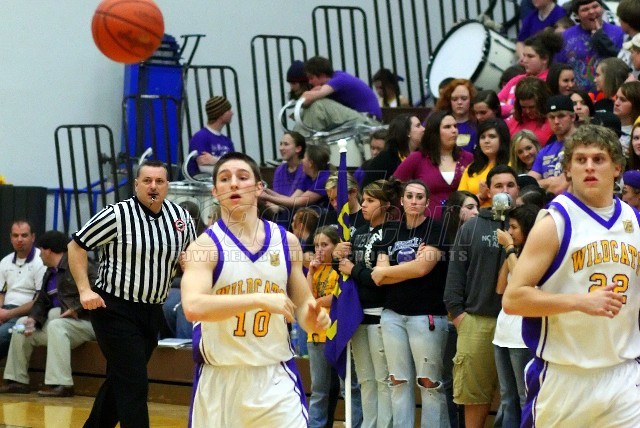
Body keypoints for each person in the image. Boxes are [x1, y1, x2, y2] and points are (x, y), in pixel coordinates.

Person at [180, 152, 331, 427]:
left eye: (242, 177)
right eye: (224, 179)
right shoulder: (204, 247)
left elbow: (303, 307)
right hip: (220, 379)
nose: (233, 184)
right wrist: (258, 299)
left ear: (259, 188)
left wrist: (315, 319)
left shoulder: (287, 242)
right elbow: (193, 307)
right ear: (215, 192)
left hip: (276, 376)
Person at [503, 124, 640, 427]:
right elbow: (513, 299)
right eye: (580, 160)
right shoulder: (555, 222)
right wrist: (580, 302)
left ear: (617, 167)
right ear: (568, 169)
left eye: (598, 159)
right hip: (564, 377)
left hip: (624, 376)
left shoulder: (635, 221)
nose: (589, 166)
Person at [67, 160, 197, 428]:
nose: (153, 186)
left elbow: (191, 258)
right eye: (147, 181)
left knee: (120, 381)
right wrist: (84, 290)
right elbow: (76, 246)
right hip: (113, 308)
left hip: (152, 311)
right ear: (136, 184)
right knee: (134, 382)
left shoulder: (181, 219)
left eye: (159, 181)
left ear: (168, 186)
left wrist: (190, 264)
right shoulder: (116, 214)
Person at [443, 164, 520, 428]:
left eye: (510, 185)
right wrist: (459, 316)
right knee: (473, 395)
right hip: (476, 321)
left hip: (519, 321)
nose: (505, 191)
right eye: (499, 186)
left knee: (518, 394)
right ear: (487, 191)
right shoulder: (472, 227)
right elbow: (455, 274)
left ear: (518, 190)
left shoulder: (531, 224)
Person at [371, 180, 450, 428]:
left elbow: (422, 268)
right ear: (402, 200)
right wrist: (411, 266)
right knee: (398, 381)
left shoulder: (435, 228)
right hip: (392, 315)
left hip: (426, 315)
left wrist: (392, 271)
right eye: (409, 196)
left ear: (427, 202)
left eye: (419, 197)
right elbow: (378, 275)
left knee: (429, 383)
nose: (414, 201)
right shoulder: (390, 231)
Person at [333, 179, 402, 428]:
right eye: (363, 200)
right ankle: (368, 424)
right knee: (365, 379)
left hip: (381, 312)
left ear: (385, 205)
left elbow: (380, 278)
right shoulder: (357, 232)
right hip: (356, 313)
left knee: (383, 379)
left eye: (370, 201)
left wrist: (352, 269)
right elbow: (344, 272)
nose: (363, 205)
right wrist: (337, 257)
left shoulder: (393, 233)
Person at [0, 231, 96, 397]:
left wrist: (77, 308)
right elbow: (41, 302)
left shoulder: (81, 264)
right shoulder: (50, 272)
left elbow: (99, 291)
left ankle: (61, 384)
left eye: (41, 251)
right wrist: (33, 319)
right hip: (63, 324)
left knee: (56, 324)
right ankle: (17, 380)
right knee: (21, 325)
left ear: (48, 251)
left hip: (87, 322)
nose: (39, 255)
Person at [307, 226, 362, 428]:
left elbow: (340, 296)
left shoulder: (341, 267)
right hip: (316, 335)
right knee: (319, 390)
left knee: (348, 387)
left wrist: (319, 302)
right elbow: (307, 298)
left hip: (338, 333)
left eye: (324, 245)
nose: (319, 250)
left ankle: (354, 424)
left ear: (336, 245)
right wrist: (310, 272)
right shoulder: (316, 269)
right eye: (316, 245)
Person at [493, 205, 539, 428]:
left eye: (514, 227)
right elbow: (501, 288)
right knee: (507, 398)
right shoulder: (514, 255)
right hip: (502, 333)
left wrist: (510, 248)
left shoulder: (538, 256)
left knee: (524, 397)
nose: (509, 232)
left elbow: (524, 282)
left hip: (521, 337)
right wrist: (509, 252)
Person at [393, 111, 474, 219]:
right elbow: (394, 186)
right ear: (434, 132)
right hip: (425, 225)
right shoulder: (417, 158)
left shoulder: (468, 158)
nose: (454, 130)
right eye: (447, 127)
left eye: (455, 126)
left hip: (461, 224)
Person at [555, 0, 625, 93]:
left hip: (610, 94)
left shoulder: (619, 33)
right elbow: (558, 69)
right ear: (576, 15)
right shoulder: (565, 36)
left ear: (602, 8)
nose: (591, 11)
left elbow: (623, 65)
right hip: (576, 95)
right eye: (585, 9)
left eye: (595, 6)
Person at [0, 220, 46, 360]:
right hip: (4, 312)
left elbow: (39, 300)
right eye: (15, 235)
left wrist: (8, 314)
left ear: (33, 237)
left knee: (1, 336)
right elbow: (1, 293)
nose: (19, 239)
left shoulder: (41, 260)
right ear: (11, 238)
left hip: (24, 315)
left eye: (24, 235)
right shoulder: (5, 261)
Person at [500, 29, 564, 117]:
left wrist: (507, 108)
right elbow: (493, 104)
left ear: (545, 59)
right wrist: (512, 109)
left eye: (530, 56)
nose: (524, 60)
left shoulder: (551, 82)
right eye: (524, 55)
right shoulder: (517, 79)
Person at [260, 143, 332, 214]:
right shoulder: (308, 177)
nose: (301, 161)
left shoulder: (324, 179)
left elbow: (297, 202)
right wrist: (266, 190)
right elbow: (291, 199)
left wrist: (267, 197)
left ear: (310, 163)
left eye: (303, 157)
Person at [302, 56, 381, 120]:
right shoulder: (333, 82)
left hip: (369, 120)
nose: (310, 82)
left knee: (319, 104)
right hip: (360, 119)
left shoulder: (339, 79)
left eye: (311, 78)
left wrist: (310, 95)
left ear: (322, 75)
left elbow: (308, 98)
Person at [529, 94, 578, 194]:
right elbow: (528, 183)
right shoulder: (545, 151)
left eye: (561, 116)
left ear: (573, 117)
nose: (556, 121)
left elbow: (561, 185)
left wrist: (542, 183)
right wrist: (550, 181)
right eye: (551, 117)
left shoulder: (582, 144)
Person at [458, 118, 512, 207]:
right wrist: (481, 197)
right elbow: (460, 203)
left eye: (492, 136)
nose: (486, 141)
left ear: (502, 139)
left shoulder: (511, 165)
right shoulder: (471, 168)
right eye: (482, 137)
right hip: (474, 215)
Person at [360, 114, 424, 187]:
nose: (423, 129)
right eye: (418, 126)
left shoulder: (425, 154)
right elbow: (369, 189)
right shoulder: (385, 159)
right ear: (407, 132)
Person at [187, 96, 236, 177]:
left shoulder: (227, 141)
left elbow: (235, 164)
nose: (232, 113)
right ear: (220, 114)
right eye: (229, 110)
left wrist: (215, 160)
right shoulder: (201, 137)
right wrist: (228, 166)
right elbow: (204, 169)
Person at [505, 77, 553, 145]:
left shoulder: (553, 121)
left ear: (542, 103)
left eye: (532, 107)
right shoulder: (515, 119)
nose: (527, 111)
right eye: (523, 107)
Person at [435, 79, 478, 153]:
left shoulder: (479, 121)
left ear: (471, 99)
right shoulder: (437, 120)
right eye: (454, 99)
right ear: (449, 101)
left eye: (464, 98)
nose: (459, 102)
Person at [614, 81, 640, 155]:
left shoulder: (637, 132)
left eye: (623, 100)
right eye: (616, 98)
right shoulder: (610, 127)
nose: (616, 103)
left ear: (636, 104)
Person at [616, 0, 640, 78]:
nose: (619, 22)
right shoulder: (627, 39)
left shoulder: (637, 46)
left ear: (627, 21)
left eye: (620, 19)